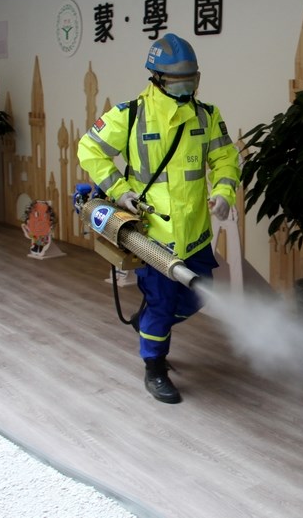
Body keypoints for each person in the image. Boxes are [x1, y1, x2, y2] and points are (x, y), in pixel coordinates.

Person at [77, 33, 240, 404]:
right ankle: (154, 368)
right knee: (163, 304)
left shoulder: (207, 115)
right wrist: (120, 190)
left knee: (199, 294)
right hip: (153, 236)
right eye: (179, 79)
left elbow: (226, 159)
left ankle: (149, 321)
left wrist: (224, 193)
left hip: (196, 233)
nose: (187, 85)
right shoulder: (130, 114)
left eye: (192, 78)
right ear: (158, 78)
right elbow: (89, 149)